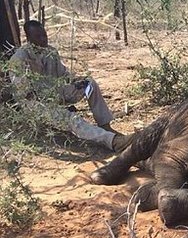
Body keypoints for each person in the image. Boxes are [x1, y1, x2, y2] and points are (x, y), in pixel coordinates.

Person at [8, 20, 132, 152]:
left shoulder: (51, 52)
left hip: (56, 93)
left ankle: (105, 124)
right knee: (71, 119)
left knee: (90, 83)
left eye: (44, 35)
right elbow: (24, 92)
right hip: (36, 104)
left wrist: (76, 82)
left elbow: (64, 75)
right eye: (38, 36)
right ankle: (111, 141)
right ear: (29, 38)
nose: (43, 39)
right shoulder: (19, 58)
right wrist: (48, 105)